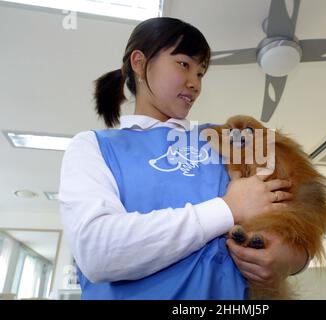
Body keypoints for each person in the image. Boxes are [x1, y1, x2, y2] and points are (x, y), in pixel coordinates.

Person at [59, 17, 310, 300]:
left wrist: (290, 259)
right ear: (140, 63)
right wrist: (227, 208)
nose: (195, 84)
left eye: (201, 73)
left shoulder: (231, 137)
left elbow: (301, 214)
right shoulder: (93, 146)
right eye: (184, 64)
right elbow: (98, 251)